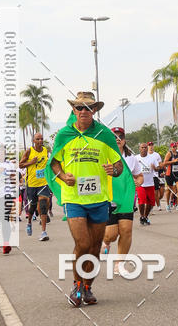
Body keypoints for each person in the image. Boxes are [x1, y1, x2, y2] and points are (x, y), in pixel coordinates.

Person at [46, 92, 126, 307]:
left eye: (88, 108)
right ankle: (77, 285)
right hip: (74, 198)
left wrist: (114, 170)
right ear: (73, 110)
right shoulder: (64, 135)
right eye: (79, 107)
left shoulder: (104, 134)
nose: (83, 111)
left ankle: (88, 287)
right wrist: (63, 176)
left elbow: (119, 164)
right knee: (82, 243)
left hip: (99, 199)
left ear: (95, 111)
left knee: (95, 246)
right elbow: (54, 163)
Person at [102, 128, 143, 274]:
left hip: (126, 200)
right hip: (109, 200)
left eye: (120, 137)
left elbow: (139, 175)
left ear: (124, 140)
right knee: (111, 235)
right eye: (115, 137)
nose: (118, 139)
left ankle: (119, 264)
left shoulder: (131, 159)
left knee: (126, 231)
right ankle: (105, 242)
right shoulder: (104, 156)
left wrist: (138, 181)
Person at [19, 132, 52, 241]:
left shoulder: (45, 150)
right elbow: (20, 164)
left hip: (43, 183)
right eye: (38, 139)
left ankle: (43, 232)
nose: (40, 141)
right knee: (33, 206)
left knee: (43, 205)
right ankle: (29, 223)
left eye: (41, 139)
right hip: (32, 184)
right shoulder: (29, 151)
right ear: (33, 141)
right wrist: (31, 162)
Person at [147, 141, 164, 209]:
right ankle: (150, 205)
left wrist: (157, 168)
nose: (151, 147)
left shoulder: (156, 155)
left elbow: (160, 165)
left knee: (156, 192)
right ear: (147, 146)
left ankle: (158, 205)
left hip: (155, 175)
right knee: (149, 192)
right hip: (147, 176)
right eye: (149, 145)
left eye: (152, 145)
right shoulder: (145, 154)